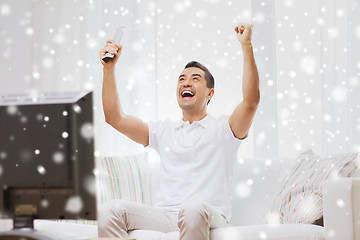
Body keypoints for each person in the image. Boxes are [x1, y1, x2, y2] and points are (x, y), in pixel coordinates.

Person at [97, 24, 260, 240]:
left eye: (195, 78)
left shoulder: (224, 129)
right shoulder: (163, 131)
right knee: (111, 210)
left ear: (210, 93)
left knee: (192, 208)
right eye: (182, 79)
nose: (186, 82)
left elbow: (251, 102)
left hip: (209, 215)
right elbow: (114, 118)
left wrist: (246, 46)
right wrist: (108, 68)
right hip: (167, 216)